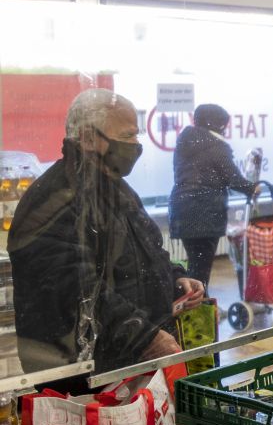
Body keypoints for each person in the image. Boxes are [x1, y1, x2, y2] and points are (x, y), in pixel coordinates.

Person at [8, 89, 205, 392]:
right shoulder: (54, 200)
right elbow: (75, 290)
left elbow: (149, 250)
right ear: (88, 138)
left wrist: (176, 278)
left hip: (128, 364)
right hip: (82, 378)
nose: (136, 145)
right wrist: (145, 338)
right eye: (127, 136)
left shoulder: (117, 189)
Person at [168, 103, 258, 289]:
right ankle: (200, 311)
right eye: (224, 125)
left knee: (194, 264)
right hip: (205, 212)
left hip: (182, 209)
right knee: (200, 271)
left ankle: (198, 308)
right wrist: (253, 188)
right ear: (217, 124)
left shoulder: (184, 141)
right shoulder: (216, 146)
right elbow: (233, 178)